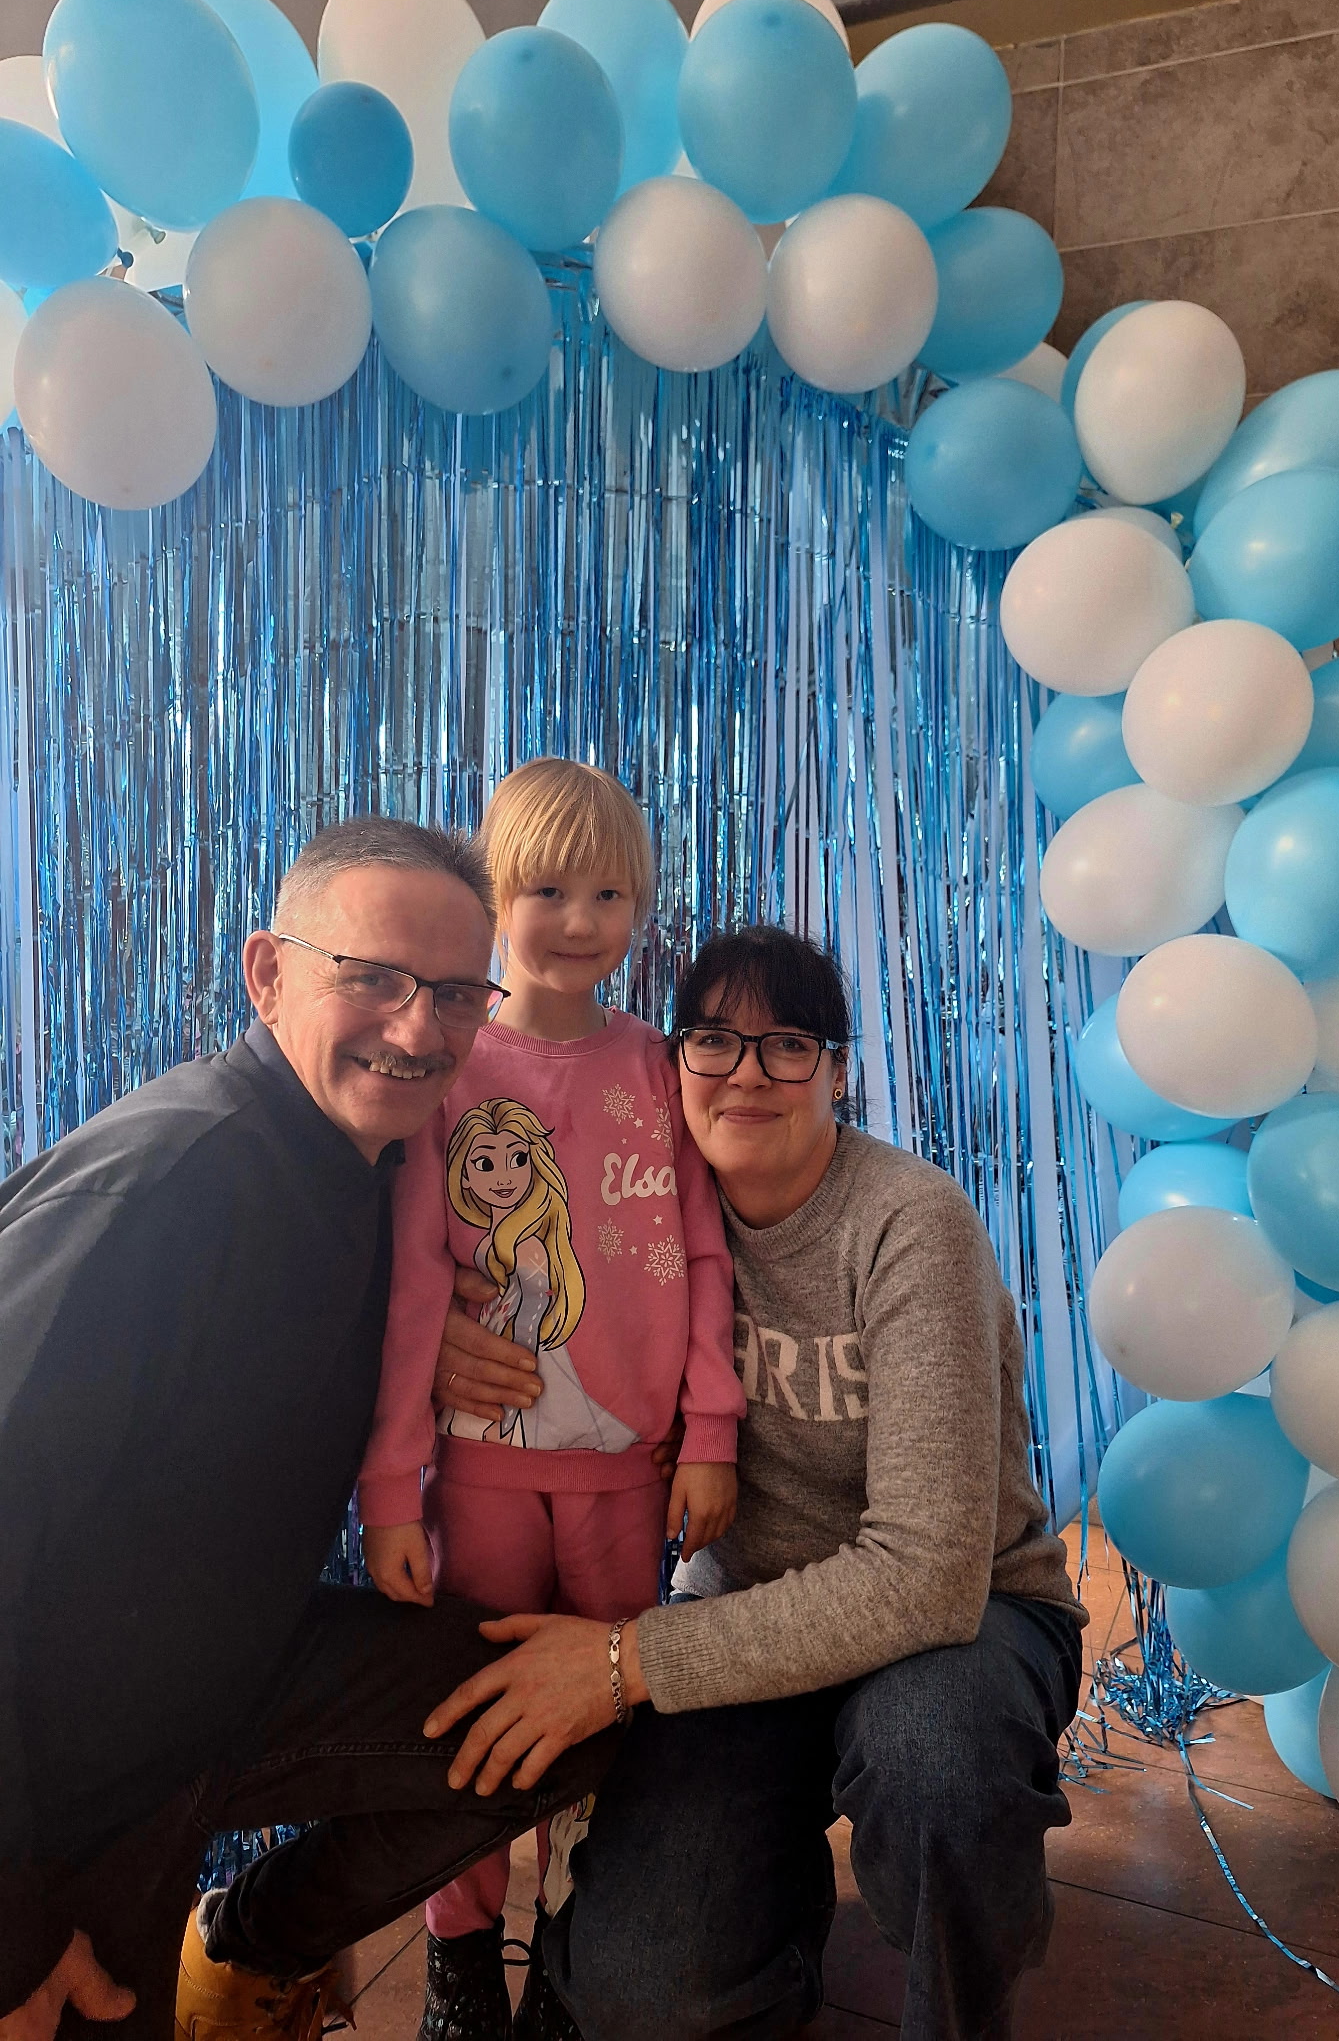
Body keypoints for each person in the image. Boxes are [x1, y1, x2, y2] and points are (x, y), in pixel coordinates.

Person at [0, 817, 621, 2041]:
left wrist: (425, 1343)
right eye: (373, 977)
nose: (417, 1028)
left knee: (562, 1715)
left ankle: (250, 1940)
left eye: (455, 993)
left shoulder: (380, 1164)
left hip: (240, 1669)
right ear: (268, 973)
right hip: (65, 1770)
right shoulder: (166, 1185)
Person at [422, 925, 1088, 2041]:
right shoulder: (640, 1214)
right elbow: (464, 1258)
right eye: (714, 1041)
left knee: (936, 1765)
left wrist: (626, 1662)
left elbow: (925, 1574)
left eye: (788, 1044)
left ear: (839, 1070)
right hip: (747, 1609)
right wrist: (437, 1336)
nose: (746, 1074)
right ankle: (772, 1921)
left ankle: (962, 2005)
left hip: (964, 1622)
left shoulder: (909, 1224)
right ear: (672, 1062)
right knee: (639, 1990)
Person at [358, 760, 743, 2039]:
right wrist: (391, 1491)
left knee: (604, 1719)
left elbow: (703, 1254)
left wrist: (710, 1429)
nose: (580, 920)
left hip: (628, 1476)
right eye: (547, 890)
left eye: (609, 893)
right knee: (471, 1716)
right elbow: (415, 1287)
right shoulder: (451, 1064)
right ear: (494, 899)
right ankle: (461, 1949)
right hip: (477, 1474)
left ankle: (575, 1953)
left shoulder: (660, 1068)